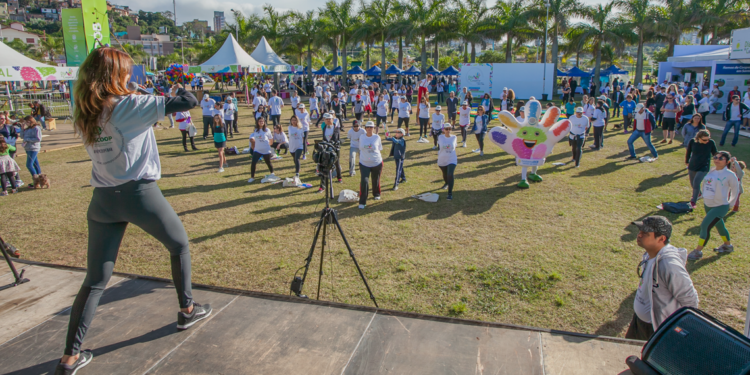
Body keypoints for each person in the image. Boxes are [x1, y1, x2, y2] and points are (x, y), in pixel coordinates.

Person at [57, 48, 209, 375]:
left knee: (95, 280)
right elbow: (189, 101)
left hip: (102, 199)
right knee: (179, 245)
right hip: (138, 193)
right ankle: (187, 309)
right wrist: (172, 83)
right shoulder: (129, 105)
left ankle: (70, 357)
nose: (131, 78)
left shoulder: (87, 108)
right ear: (116, 76)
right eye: (126, 73)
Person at [626, 216, 698, 340]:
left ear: (661, 238)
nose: (639, 235)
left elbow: (691, 301)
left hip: (656, 330)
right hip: (639, 323)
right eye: (640, 232)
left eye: (645, 233)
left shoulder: (669, 265)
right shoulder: (650, 255)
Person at [688, 151, 739, 260]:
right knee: (720, 226)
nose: (717, 160)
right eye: (716, 157)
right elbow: (706, 184)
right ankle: (728, 246)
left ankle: (698, 251)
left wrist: (731, 204)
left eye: (721, 158)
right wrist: (702, 196)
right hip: (708, 204)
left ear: (727, 161)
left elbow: (735, 190)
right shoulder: (712, 170)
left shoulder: (730, 175)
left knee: (705, 226)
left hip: (721, 206)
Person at [686, 129, 717, 208]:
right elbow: (688, 152)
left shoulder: (711, 143)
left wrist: (721, 159)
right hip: (693, 165)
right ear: (698, 138)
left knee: (696, 182)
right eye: (704, 140)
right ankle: (699, 193)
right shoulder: (692, 142)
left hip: (704, 166)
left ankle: (693, 201)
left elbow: (715, 153)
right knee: (693, 183)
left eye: (708, 139)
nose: (706, 141)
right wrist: (687, 161)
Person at [358, 121, 383, 209]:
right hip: (364, 163)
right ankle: (362, 201)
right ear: (365, 128)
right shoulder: (362, 137)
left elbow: (379, 148)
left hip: (376, 162)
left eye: (371, 127)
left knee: (375, 179)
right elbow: (360, 148)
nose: (369, 129)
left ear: (374, 128)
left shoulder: (377, 137)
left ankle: (376, 193)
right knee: (364, 181)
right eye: (367, 127)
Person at [248, 117, 275, 183]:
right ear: (257, 122)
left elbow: (271, 139)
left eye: (262, 121)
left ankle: (272, 173)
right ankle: (252, 177)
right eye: (260, 121)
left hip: (266, 150)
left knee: (268, 162)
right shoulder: (256, 130)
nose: (261, 122)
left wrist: (269, 146)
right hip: (257, 150)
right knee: (253, 163)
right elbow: (253, 138)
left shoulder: (267, 130)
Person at [319, 113, 342, 188]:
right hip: (326, 149)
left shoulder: (336, 128)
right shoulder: (325, 127)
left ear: (333, 120)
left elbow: (336, 138)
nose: (328, 120)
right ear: (324, 120)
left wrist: (331, 145)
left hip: (333, 148)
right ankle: (322, 184)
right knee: (323, 165)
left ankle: (339, 177)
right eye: (327, 119)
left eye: (330, 119)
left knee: (336, 163)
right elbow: (324, 138)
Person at [437, 124, 457, 200]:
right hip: (442, 159)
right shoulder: (440, 137)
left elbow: (454, 147)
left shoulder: (454, 137)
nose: (448, 131)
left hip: (452, 159)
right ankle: (446, 183)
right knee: (445, 174)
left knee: (450, 174)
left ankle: (450, 193)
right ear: (443, 130)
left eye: (449, 129)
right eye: (446, 129)